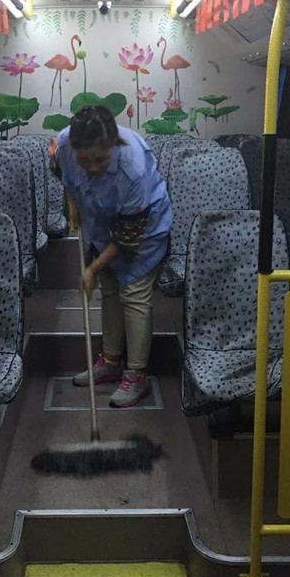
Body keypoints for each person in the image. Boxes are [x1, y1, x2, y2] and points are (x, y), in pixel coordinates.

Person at [51, 105, 172, 407]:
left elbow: (128, 237)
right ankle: (111, 362)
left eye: (100, 160)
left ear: (114, 145)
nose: (92, 168)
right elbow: (63, 172)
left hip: (143, 232)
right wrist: (73, 202)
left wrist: (92, 268)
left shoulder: (133, 168)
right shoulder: (64, 144)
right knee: (110, 291)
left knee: (133, 295)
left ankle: (137, 375)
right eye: (84, 160)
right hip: (101, 224)